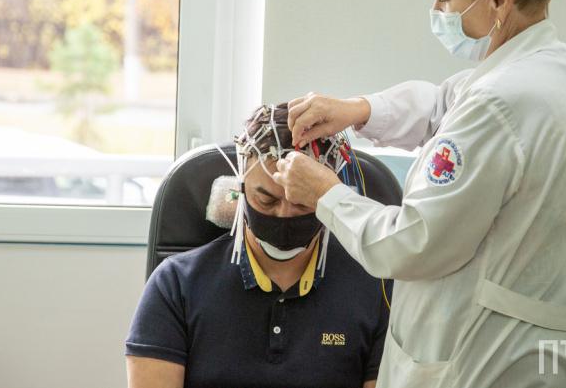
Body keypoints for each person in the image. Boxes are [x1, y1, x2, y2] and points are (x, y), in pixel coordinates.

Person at [272, 0, 566, 388]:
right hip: (542, 352)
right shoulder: (561, 72)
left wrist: (326, 194)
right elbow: (443, 104)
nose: (437, 8)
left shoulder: (502, 101)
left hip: (488, 361)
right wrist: (358, 110)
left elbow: (411, 243)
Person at [125, 104, 390, 388]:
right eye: (267, 200)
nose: (284, 214)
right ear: (240, 189)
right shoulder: (176, 285)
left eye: (302, 203)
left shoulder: (376, 289)